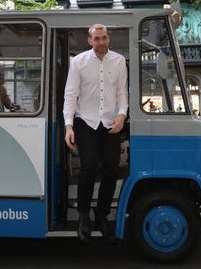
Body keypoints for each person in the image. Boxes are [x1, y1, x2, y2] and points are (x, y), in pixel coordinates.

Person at [63, 24, 128, 244]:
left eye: (104, 38)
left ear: (108, 39)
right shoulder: (78, 62)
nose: (101, 42)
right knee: (89, 164)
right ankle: (83, 215)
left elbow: (122, 93)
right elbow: (70, 95)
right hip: (85, 120)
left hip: (110, 120)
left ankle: (101, 214)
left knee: (111, 168)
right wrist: (68, 126)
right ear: (89, 40)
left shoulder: (119, 61)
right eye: (96, 39)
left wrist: (121, 115)